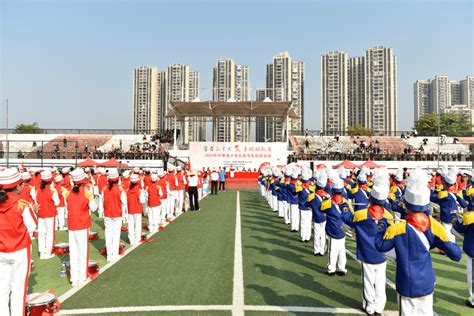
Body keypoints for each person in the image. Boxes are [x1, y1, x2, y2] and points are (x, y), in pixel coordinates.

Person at [375, 168, 462, 315]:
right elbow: (456, 254)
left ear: (407, 204)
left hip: (406, 283)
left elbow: (380, 245)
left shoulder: (398, 229)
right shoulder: (435, 227)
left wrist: (381, 226)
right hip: (427, 282)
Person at [341, 170, 393, 316]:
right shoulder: (388, 216)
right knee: (380, 282)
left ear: (370, 198)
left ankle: (369, 307)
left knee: (368, 282)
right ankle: (379, 308)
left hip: (366, 253)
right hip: (382, 254)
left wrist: (344, 206)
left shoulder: (361, 214)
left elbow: (346, 217)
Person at [0, 168, 37, 315]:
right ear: (16, 186)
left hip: (2, 250)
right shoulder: (22, 204)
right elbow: (32, 225)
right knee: (18, 290)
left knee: (2, 289)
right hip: (20, 249)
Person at [66, 168, 97, 286]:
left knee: (73, 252)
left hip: (71, 225)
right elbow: (94, 208)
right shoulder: (87, 193)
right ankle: (81, 277)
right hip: (83, 225)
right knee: (82, 252)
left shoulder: (68, 193)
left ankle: (74, 279)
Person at [321, 177, 349, 276]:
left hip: (332, 229)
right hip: (342, 229)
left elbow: (322, 209)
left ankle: (331, 269)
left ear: (332, 191)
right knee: (342, 249)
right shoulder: (345, 202)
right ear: (342, 191)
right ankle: (342, 268)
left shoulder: (328, 203)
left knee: (332, 250)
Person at [453, 180, 474, 308]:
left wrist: (455, 221)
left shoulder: (469, 217)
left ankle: (473, 299)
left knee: (472, 277)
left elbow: (461, 229)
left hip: (472, 250)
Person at [102, 168, 127, 261]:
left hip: (107, 214)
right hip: (117, 213)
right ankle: (114, 253)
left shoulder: (104, 189)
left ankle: (109, 254)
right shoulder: (120, 190)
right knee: (116, 234)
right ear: (117, 178)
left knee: (108, 234)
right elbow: (124, 202)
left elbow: (103, 201)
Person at [36, 170, 60, 259]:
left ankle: (42, 252)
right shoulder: (52, 190)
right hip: (50, 214)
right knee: (50, 233)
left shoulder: (38, 189)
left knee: (41, 233)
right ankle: (48, 252)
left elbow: (36, 201)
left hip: (41, 214)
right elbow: (57, 202)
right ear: (50, 180)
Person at [126, 174, 146, 245]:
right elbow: (142, 201)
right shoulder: (139, 191)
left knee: (130, 225)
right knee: (137, 225)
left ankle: (131, 240)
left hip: (130, 209)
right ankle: (137, 239)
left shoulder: (127, 190)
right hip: (137, 210)